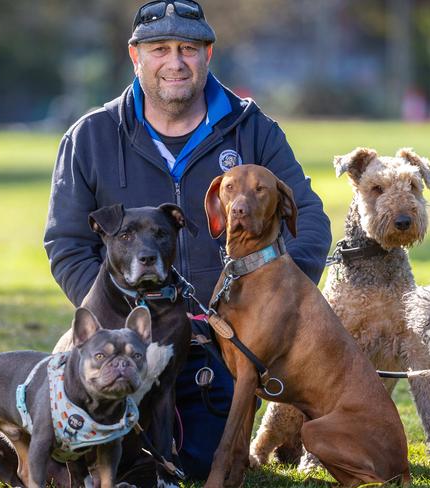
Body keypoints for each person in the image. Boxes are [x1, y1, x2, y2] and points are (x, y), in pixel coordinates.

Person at [43, 0, 331, 483]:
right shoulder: (90, 137)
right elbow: (67, 244)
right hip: (122, 345)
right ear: (135, 56)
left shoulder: (252, 128)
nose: (174, 62)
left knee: (198, 461)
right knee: (90, 454)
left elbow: (311, 222)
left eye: (188, 48)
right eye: (159, 49)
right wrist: (115, 326)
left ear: (208, 54)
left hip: (219, 343)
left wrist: (265, 313)